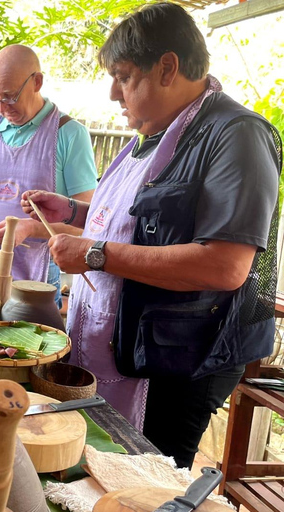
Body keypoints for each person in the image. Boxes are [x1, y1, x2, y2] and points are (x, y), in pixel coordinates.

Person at [23, 2, 281, 468]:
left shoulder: (236, 134)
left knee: (147, 477)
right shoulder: (162, 134)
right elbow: (150, 224)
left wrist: (96, 254)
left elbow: (225, 265)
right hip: (141, 342)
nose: (112, 93)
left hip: (183, 356)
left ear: (167, 67)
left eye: (123, 76)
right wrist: (78, 212)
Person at [0, 45, 97, 305]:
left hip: (35, 279)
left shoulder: (69, 134)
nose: (1, 108)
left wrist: (29, 229)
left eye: (9, 96)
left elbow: (88, 222)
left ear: (37, 82)